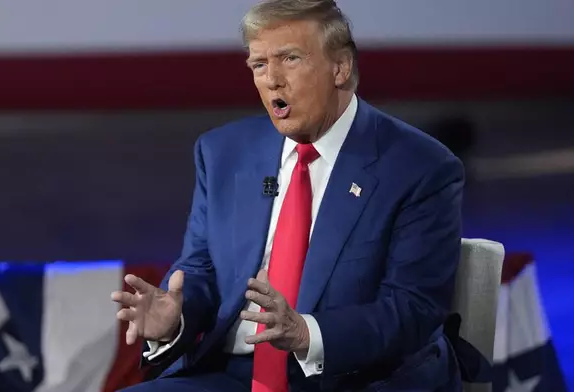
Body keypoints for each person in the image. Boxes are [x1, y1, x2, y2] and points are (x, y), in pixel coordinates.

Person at [111, 1, 468, 391]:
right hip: (230, 375)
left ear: (340, 68)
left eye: (290, 59)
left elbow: (412, 308)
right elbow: (203, 270)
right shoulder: (222, 154)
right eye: (259, 65)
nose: (272, 80)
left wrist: (306, 333)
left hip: (352, 377)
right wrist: (175, 320)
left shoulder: (419, 167)